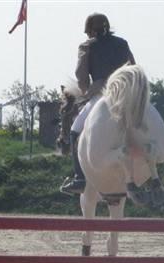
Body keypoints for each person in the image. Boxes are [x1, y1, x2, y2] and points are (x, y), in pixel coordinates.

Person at [60, 13, 136, 195]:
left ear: (92, 30)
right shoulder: (122, 43)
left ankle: (79, 178)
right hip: (125, 93)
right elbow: (133, 67)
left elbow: (81, 75)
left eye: (88, 32)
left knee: (74, 130)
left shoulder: (87, 46)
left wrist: (86, 90)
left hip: (102, 93)